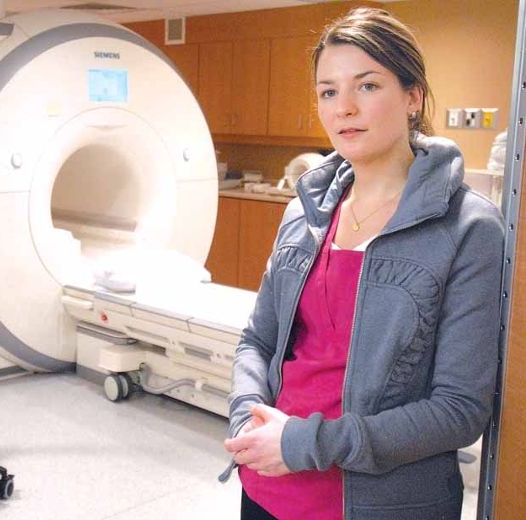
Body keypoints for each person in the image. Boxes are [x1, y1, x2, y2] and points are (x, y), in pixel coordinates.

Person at [221, 7, 504, 520]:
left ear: (413, 97)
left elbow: (458, 410)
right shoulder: (302, 215)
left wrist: (307, 443)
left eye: (367, 86)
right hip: (268, 487)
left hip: (379, 503)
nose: (344, 108)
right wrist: (246, 418)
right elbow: (258, 341)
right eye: (328, 91)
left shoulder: (468, 228)